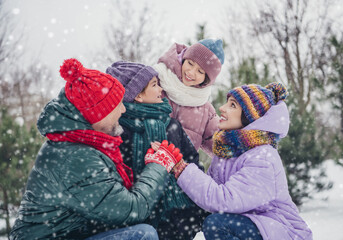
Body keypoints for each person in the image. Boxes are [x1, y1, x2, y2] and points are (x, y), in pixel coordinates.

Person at [9, 58, 182, 240]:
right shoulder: (75, 157)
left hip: (73, 234)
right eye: (117, 105)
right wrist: (158, 165)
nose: (123, 110)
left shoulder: (85, 142)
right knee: (142, 236)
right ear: (98, 114)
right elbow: (132, 209)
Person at [167, 82, 313, 239]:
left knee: (216, 224)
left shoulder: (262, 157)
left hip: (280, 231)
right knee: (190, 216)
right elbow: (207, 194)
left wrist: (182, 169)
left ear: (250, 117)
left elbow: (224, 200)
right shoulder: (228, 151)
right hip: (254, 224)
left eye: (233, 105)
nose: (222, 108)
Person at [106, 61, 209, 240]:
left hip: (181, 216)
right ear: (137, 95)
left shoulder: (172, 127)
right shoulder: (120, 132)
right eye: (154, 85)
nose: (161, 89)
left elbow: (194, 165)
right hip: (139, 217)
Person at [153, 38, 224, 157]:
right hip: (142, 166)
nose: (191, 72)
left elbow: (223, 146)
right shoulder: (156, 83)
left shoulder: (205, 112)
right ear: (183, 59)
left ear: (206, 80)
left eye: (200, 71)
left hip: (178, 172)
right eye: (190, 63)